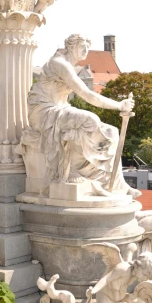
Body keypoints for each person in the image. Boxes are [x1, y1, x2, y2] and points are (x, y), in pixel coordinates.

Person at [19, 34, 137, 196]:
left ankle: (116, 184)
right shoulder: (59, 64)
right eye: (82, 47)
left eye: (88, 47)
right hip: (43, 111)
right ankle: (72, 171)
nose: (86, 51)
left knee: (112, 132)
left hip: (59, 109)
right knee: (91, 120)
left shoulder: (69, 66)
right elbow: (87, 95)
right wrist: (119, 105)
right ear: (71, 46)